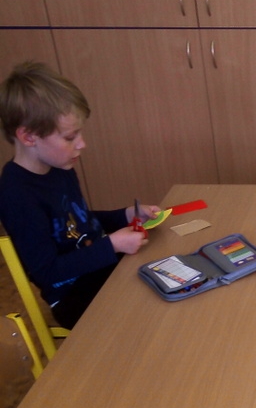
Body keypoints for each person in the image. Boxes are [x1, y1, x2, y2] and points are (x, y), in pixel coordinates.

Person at [0, 61, 160, 329]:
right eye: (69, 137)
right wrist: (111, 245)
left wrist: (124, 215)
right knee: (149, 311)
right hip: (71, 296)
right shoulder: (17, 195)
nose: (82, 144)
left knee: (161, 267)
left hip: (97, 269)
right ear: (28, 137)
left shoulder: (59, 166)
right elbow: (47, 271)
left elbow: (76, 221)